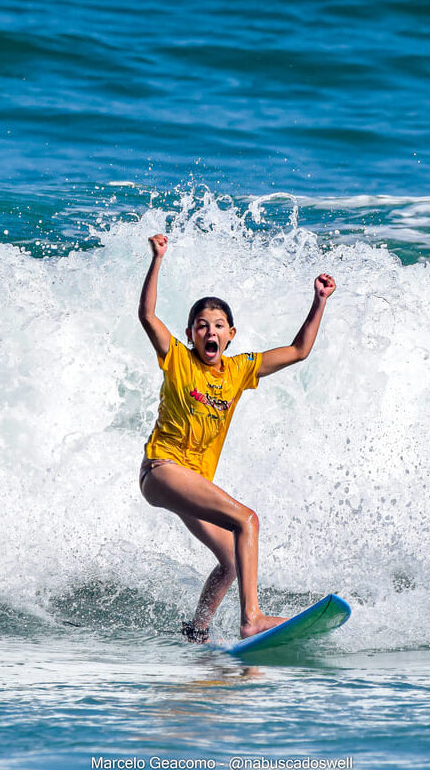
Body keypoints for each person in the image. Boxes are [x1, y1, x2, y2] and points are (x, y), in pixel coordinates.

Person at [138, 232, 337, 642]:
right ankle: (253, 618)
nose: (210, 332)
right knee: (247, 520)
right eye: (201, 326)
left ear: (231, 334)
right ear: (191, 334)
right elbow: (146, 315)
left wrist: (319, 302)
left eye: (218, 326)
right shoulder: (176, 358)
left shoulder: (239, 370)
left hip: (190, 480)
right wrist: (157, 259)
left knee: (230, 559)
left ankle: (198, 628)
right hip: (161, 469)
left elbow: (299, 350)